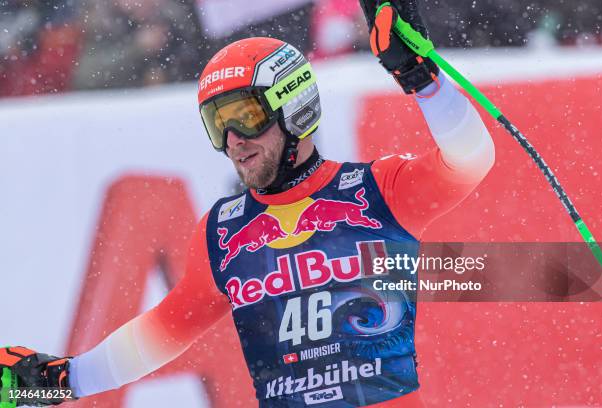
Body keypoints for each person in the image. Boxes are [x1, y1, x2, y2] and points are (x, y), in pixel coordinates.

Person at [0, 1, 495, 406]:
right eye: (218, 124)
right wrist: (62, 380)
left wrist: (421, 80)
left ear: (294, 107)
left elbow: (471, 158)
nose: (234, 140)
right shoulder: (222, 233)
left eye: (246, 117)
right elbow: (159, 334)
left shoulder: (376, 191)